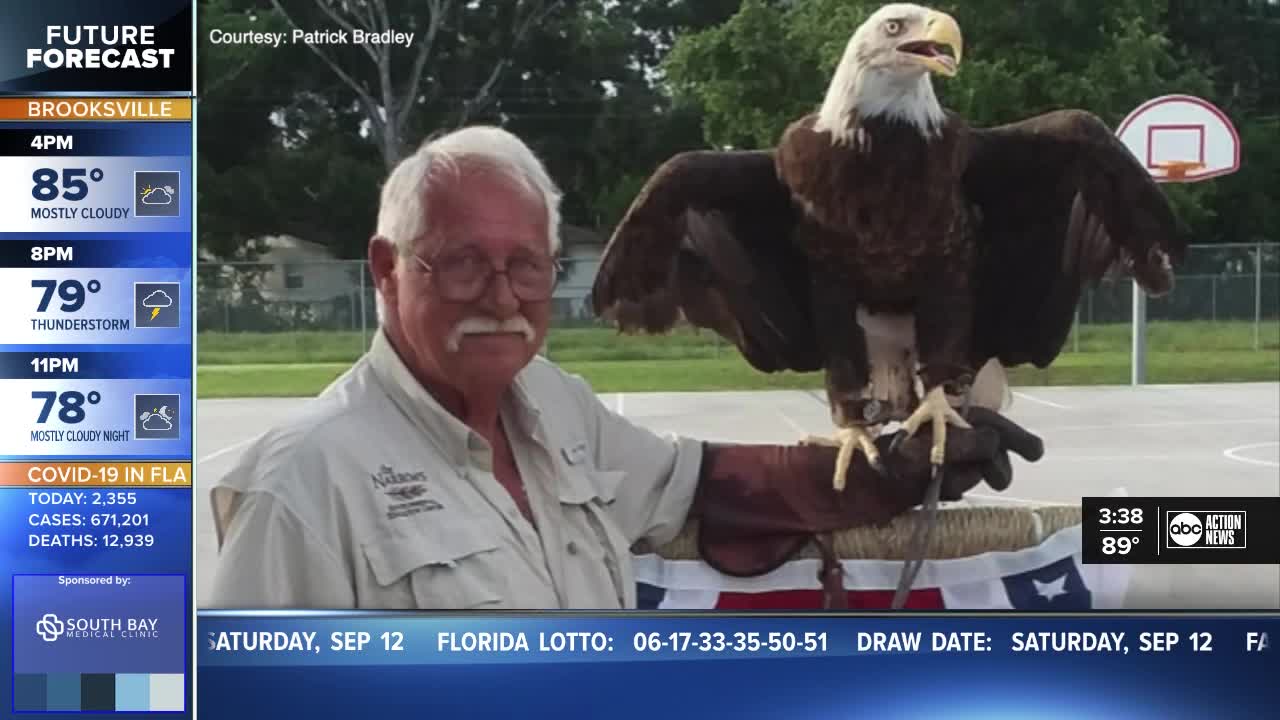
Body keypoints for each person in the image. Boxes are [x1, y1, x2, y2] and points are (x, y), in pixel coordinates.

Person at [206, 125, 1042, 610]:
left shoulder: (550, 406)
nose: (501, 297)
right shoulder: (303, 486)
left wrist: (888, 470)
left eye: (528, 266)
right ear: (387, 270)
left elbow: (701, 482)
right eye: (460, 262)